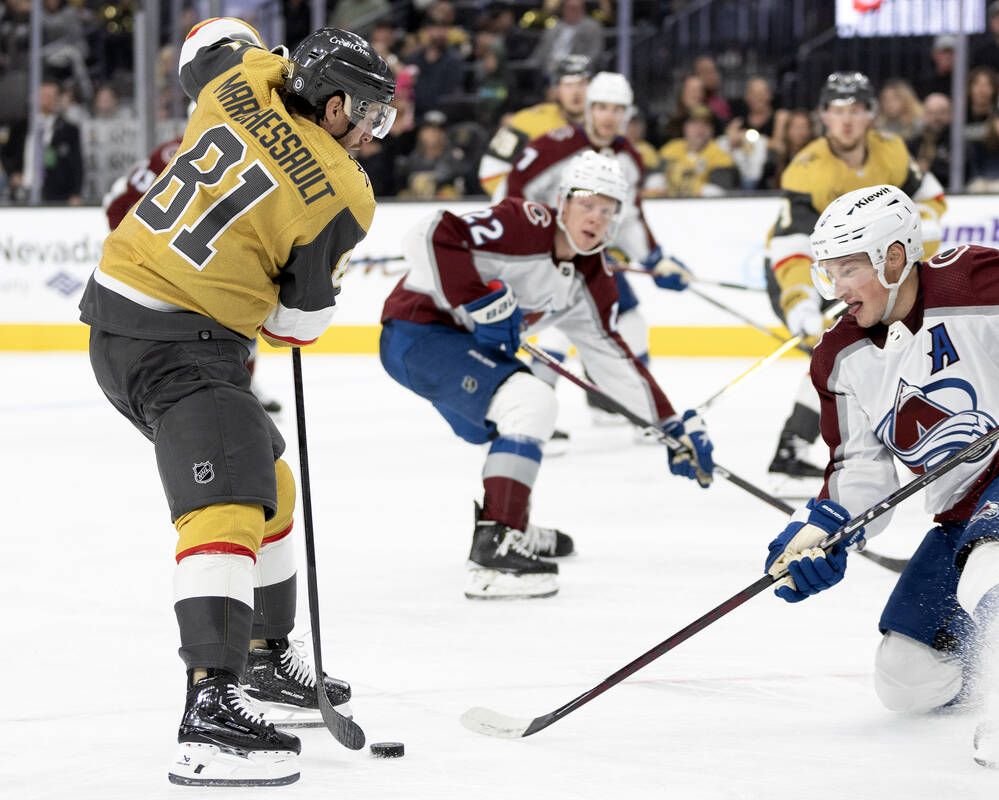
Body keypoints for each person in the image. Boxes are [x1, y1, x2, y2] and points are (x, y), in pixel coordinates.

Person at [78, 19, 395, 785]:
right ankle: (208, 711)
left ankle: (261, 658)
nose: (374, 135)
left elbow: (204, 41)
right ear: (330, 105)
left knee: (272, 488)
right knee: (225, 507)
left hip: (126, 314)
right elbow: (297, 326)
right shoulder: (343, 192)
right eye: (367, 115)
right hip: (178, 344)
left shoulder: (242, 76)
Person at [762, 183, 999, 762]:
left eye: (847, 270)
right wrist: (821, 533)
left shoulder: (968, 281)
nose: (835, 290)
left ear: (893, 257)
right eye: (828, 272)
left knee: (991, 559)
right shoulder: (837, 358)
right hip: (960, 512)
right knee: (906, 678)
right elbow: (859, 469)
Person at [378, 152, 715, 600]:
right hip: (416, 332)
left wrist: (669, 426)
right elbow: (430, 233)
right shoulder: (524, 224)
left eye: (608, 209)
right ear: (562, 202)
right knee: (532, 402)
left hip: (461, 349)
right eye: (587, 204)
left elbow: (611, 357)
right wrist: (479, 300)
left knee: (518, 416)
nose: (596, 217)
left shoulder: (592, 279)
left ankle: (510, 521)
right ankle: (495, 547)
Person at [762, 71, 946, 492]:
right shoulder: (805, 168)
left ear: (871, 115)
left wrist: (918, 237)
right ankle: (795, 448)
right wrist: (799, 302)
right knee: (846, 348)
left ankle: (796, 447)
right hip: (809, 274)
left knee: (863, 350)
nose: (846, 121)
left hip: (872, 272)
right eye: (838, 111)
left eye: (856, 111)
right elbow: (791, 249)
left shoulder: (892, 151)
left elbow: (931, 201)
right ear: (823, 115)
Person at [501, 71, 692, 399]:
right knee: (559, 329)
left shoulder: (629, 158)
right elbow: (513, 194)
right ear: (589, 109)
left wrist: (655, 259)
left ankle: (629, 406)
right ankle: (529, 407)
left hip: (591, 255)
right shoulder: (553, 146)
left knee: (632, 326)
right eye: (602, 107)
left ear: (627, 115)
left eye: (617, 109)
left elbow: (629, 217)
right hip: (550, 256)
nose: (609, 116)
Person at [101, 132, 287, 413]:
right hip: (178, 262)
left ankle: (241, 385)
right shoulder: (171, 151)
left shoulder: (247, 147)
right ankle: (201, 391)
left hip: (212, 256)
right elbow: (119, 205)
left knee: (241, 325)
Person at [477, 53, 592, 197]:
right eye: (568, 85)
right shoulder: (527, 122)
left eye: (582, 84)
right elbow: (491, 172)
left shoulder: (610, 127)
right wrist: (522, 204)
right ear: (556, 89)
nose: (576, 92)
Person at [648, 104, 740, 197]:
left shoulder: (720, 153)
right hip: (670, 205)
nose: (699, 129)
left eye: (705, 124)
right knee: (654, 182)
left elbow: (720, 191)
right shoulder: (671, 149)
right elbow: (653, 181)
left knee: (711, 191)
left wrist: (690, 187)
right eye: (694, 123)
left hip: (702, 207)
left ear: (711, 129)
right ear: (685, 126)